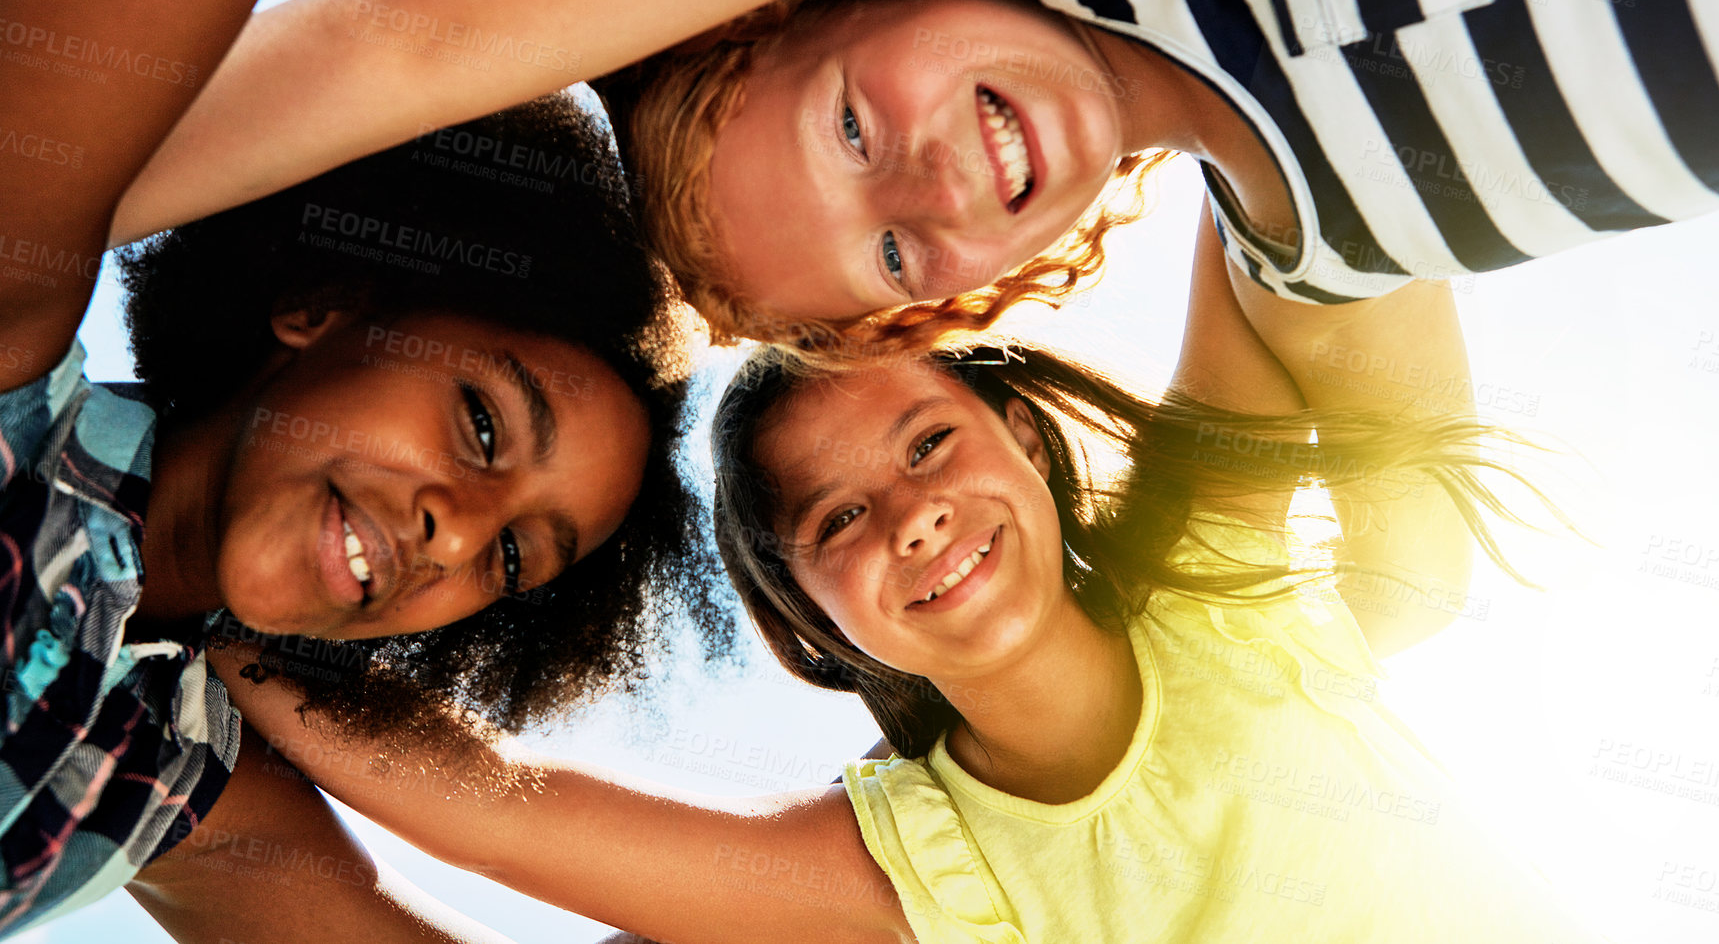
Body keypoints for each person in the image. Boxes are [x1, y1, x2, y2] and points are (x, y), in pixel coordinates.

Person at [218, 226, 1591, 943]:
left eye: (930, 441)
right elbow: (502, 813)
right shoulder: (927, 865)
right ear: (818, 628)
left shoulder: (1210, 575)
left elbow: (1276, 225)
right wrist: (227, 628)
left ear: (1031, 447)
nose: (917, 516)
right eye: (841, 519)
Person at [109, 0, 1719, 350]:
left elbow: (409, 38)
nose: (933, 180)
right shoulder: (1326, 251)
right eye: (891, 251)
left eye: (846, 123)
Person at [0, 0, 732, 936]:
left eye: (511, 557)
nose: (457, 530)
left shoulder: (163, 772)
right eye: (485, 426)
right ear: (321, 305)